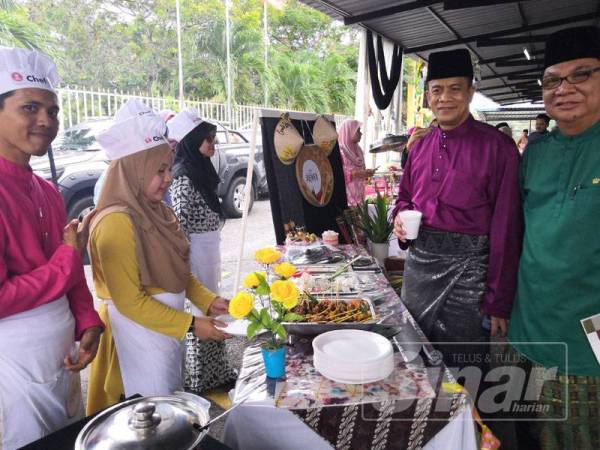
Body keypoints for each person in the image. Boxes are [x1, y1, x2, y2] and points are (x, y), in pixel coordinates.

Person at [86, 113, 231, 415]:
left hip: (165, 331)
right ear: (133, 171)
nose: (169, 177)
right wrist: (191, 325)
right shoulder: (115, 222)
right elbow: (130, 302)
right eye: (159, 170)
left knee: (170, 408)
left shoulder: (159, 212)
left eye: (168, 168)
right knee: (150, 414)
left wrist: (208, 300)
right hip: (138, 338)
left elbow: (180, 272)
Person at [392, 48, 521, 373]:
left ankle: (464, 426)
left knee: (463, 368)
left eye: (455, 89)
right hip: (418, 271)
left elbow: (507, 228)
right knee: (413, 357)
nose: (445, 98)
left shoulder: (498, 148)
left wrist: (498, 301)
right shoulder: (420, 146)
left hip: (469, 278)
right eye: (437, 89)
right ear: (427, 96)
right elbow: (405, 198)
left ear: (470, 93)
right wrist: (400, 221)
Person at [0, 46, 104, 449]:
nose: (46, 121)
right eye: (30, 108)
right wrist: (67, 255)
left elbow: (72, 276)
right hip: (15, 363)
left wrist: (87, 322)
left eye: (53, 111)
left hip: (63, 353)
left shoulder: (45, 190)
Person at [508, 26, 600, 449]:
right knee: (527, 436)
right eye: (552, 80)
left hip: (588, 348)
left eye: (582, 74)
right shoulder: (536, 153)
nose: (565, 88)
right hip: (529, 334)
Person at [168, 108, 237, 393]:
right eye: (208, 139)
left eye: (213, 138)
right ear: (191, 141)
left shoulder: (202, 169)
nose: (213, 144)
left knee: (215, 308)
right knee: (201, 311)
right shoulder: (184, 177)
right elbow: (181, 228)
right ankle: (200, 377)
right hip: (195, 255)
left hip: (208, 252)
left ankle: (217, 371)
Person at [338, 119, 375, 206]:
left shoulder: (358, 150)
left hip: (360, 198)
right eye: (357, 130)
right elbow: (338, 176)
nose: (361, 133)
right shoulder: (340, 151)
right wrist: (357, 173)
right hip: (347, 200)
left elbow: (362, 169)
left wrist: (366, 173)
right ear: (349, 131)